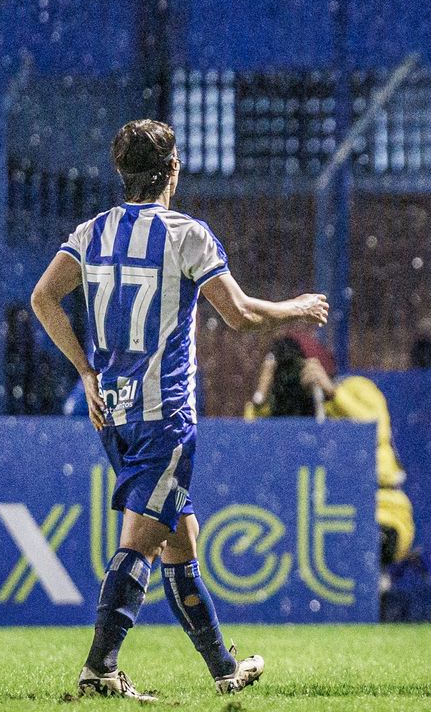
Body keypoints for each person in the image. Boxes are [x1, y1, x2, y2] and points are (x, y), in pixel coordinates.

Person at [30, 119, 328, 699]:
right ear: (174, 170)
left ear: (121, 174)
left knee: (179, 535)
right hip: (165, 415)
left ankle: (223, 670)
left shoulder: (91, 232)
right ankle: (99, 671)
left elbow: (43, 297)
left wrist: (87, 372)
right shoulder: (186, 234)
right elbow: (238, 313)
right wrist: (296, 308)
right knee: (142, 540)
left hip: (111, 412)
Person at [244, 333, 416, 569]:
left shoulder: (355, 388)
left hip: (379, 509)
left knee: (355, 549)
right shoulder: (288, 413)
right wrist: (262, 395)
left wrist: (331, 393)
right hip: (316, 519)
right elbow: (248, 450)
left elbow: (374, 430)